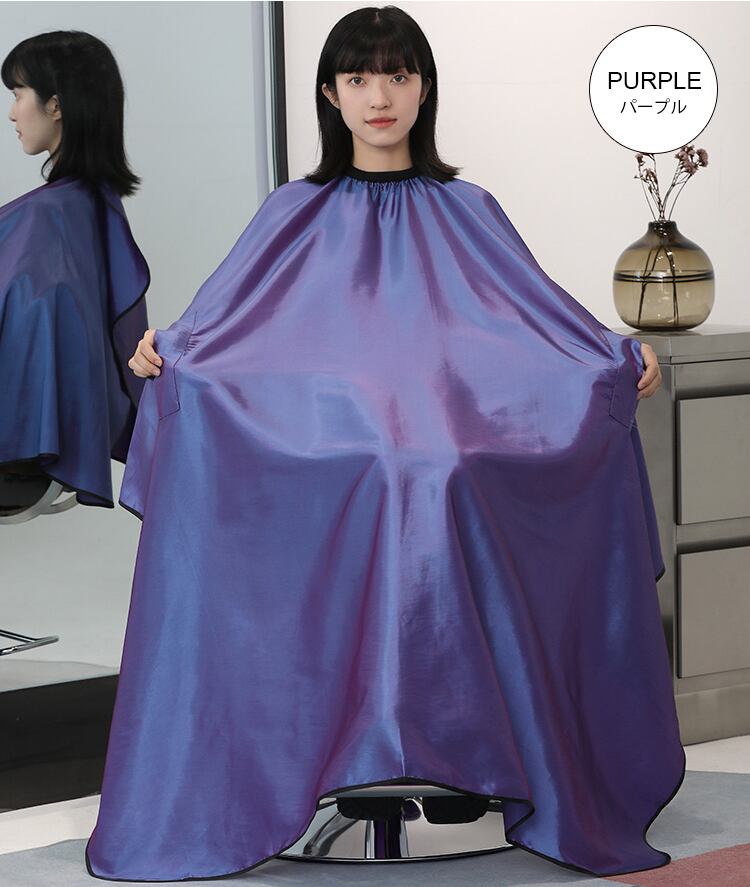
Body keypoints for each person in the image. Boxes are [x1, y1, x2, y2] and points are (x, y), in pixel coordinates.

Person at [86, 6, 685, 882]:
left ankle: (457, 743)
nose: (380, 96)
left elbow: (539, 319)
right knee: (386, 475)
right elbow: (223, 325)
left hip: (447, 450)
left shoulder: (469, 209)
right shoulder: (293, 210)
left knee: (434, 475)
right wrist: (166, 350)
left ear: (423, 89)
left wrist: (617, 354)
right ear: (330, 94)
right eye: (359, 77)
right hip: (325, 451)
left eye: (398, 75)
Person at [0, 31, 149, 509]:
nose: (12, 113)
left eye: (18, 94)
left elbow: (36, 317)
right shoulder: (92, 206)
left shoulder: (49, 216)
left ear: (56, 105)